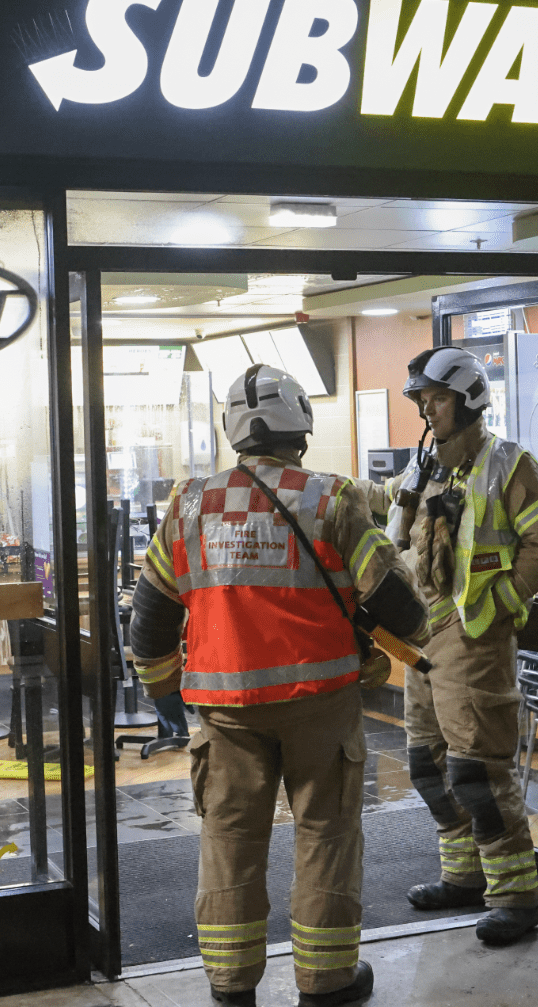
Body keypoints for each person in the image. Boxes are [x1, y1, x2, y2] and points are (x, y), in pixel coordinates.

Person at [128, 364, 429, 1007]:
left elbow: (149, 620)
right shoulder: (331, 499)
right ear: (301, 423)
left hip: (225, 711)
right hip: (321, 703)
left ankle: (231, 986)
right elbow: (403, 610)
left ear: (233, 428)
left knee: (230, 838)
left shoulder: (188, 504)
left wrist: (165, 702)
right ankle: (325, 982)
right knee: (325, 832)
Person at [362, 346, 538, 947]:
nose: (427, 409)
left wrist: (505, 602)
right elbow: (384, 500)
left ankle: (515, 899)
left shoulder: (510, 465)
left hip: (473, 636)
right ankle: (464, 876)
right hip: (421, 634)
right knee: (428, 766)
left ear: (470, 399)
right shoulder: (427, 466)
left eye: (437, 398)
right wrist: (325, 491)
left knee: (478, 771)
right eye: (422, 399)